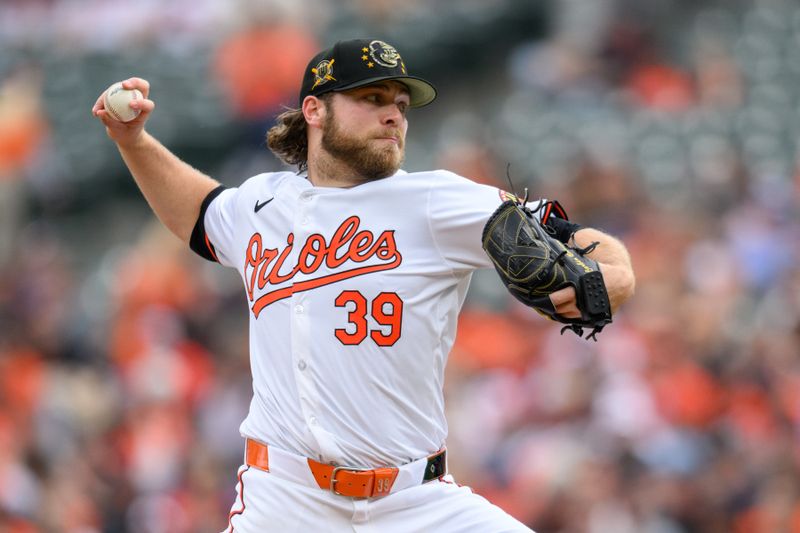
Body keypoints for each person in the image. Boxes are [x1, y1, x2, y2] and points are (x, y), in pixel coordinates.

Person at [93, 38, 635, 532]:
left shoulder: (437, 199)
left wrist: (618, 275)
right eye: (372, 98)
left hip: (416, 504)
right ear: (314, 109)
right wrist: (133, 141)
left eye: (400, 104)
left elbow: (574, 238)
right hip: (286, 501)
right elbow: (200, 212)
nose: (393, 115)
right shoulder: (263, 203)